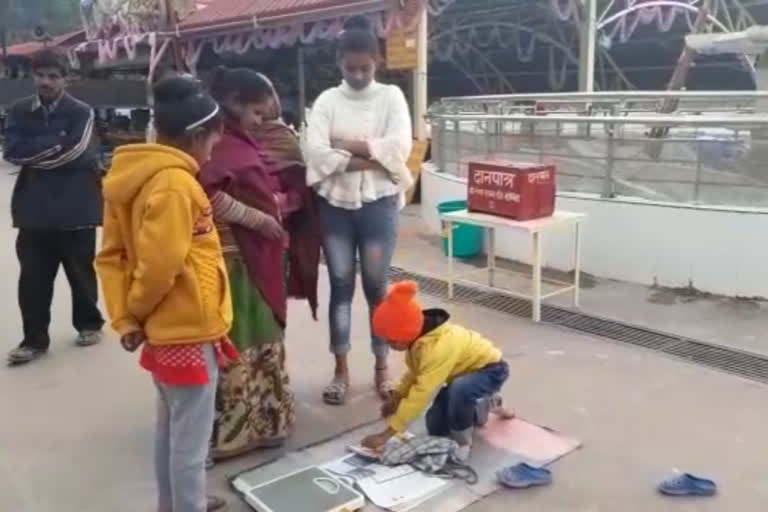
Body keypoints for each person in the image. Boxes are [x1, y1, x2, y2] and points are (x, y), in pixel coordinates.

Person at [95, 75, 234, 512]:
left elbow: (111, 257)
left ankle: (172, 504)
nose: (213, 152)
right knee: (189, 445)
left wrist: (127, 318)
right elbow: (161, 268)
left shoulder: (132, 177)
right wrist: (134, 313)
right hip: (187, 331)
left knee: (170, 431)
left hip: (165, 332)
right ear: (195, 137)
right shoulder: (176, 185)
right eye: (213, 141)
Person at [201, 67, 318, 461]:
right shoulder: (215, 144)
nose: (262, 122)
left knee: (262, 336)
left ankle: (268, 421)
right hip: (229, 261)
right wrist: (259, 218)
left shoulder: (244, 140)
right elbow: (206, 193)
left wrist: (282, 204)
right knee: (235, 340)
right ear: (233, 103)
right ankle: (234, 432)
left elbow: (279, 187)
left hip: (259, 258)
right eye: (256, 113)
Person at [305, 15, 415, 406]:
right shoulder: (327, 101)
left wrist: (344, 145)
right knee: (339, 287)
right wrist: (374, 154)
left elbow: (400, 149)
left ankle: (382, 370)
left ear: (377, 63)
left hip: (378, 208)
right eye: (349, 68)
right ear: (339, 63)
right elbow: (315, 153)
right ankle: (341, 371)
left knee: (376, 290)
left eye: (364, 68)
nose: (356, 75)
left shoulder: (391, 98)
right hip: (335, 209)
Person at [3, 48, 105, 365]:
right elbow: (11, 152)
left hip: (77, 207)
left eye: (53, 76)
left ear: (66, 78)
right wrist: (54, 144)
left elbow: (76, 152)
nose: (46, 82)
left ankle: (89, 324)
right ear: (33, 76)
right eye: (41, 75)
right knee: (33, 278)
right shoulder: (19, 110)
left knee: (80, 272)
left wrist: (40, 150)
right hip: (33, 211)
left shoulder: (81, 111)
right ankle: (33, 341)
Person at [361, 281, 512, 461]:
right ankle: (484, 402)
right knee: (436, 426)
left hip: (492, 370)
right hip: (463, 377)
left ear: (405, 334)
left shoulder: (437, 348)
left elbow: (422, 393)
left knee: (460, 391)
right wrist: (397, 398)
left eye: (391, 341)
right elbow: (416, 373)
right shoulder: (418, 340)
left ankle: (463, 443)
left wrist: (387, 434)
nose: (389, 345)